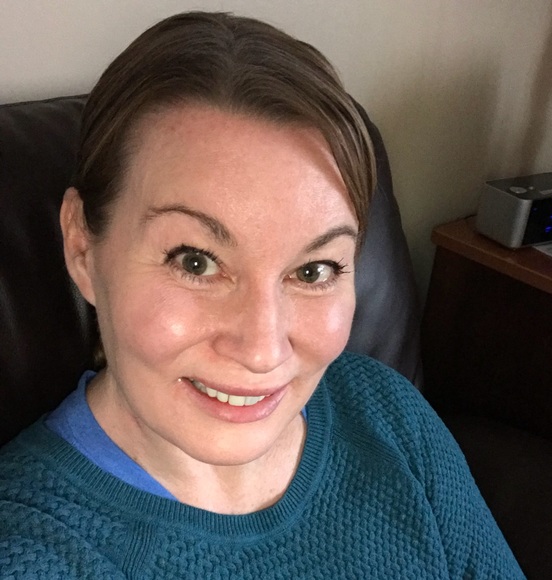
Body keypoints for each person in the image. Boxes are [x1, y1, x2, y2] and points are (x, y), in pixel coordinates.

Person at [0, 11, 524, 578]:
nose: (262, 350)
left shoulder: (388, 413)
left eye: (314, 270)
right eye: (196, 262)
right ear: (82, 247)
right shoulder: (31, 552)